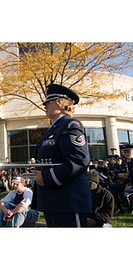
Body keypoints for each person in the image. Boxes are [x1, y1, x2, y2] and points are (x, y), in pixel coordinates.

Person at [32, 84, 91, 227]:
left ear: (61, 104)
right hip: (53, 199)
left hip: (68, 199)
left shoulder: (70, 125)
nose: (45, 105)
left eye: (49, 102)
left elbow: (79, 159)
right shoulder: (53, 128)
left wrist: (46, 177)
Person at [119, 144, 133, 211]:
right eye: (124, 152)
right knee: (112, 188)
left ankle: (130, 208)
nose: (126, 154)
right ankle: (118, 208)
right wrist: (119, 175)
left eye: (128, 152)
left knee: (124, 194)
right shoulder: (123, 163)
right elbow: (118, 173)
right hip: (126, 183)